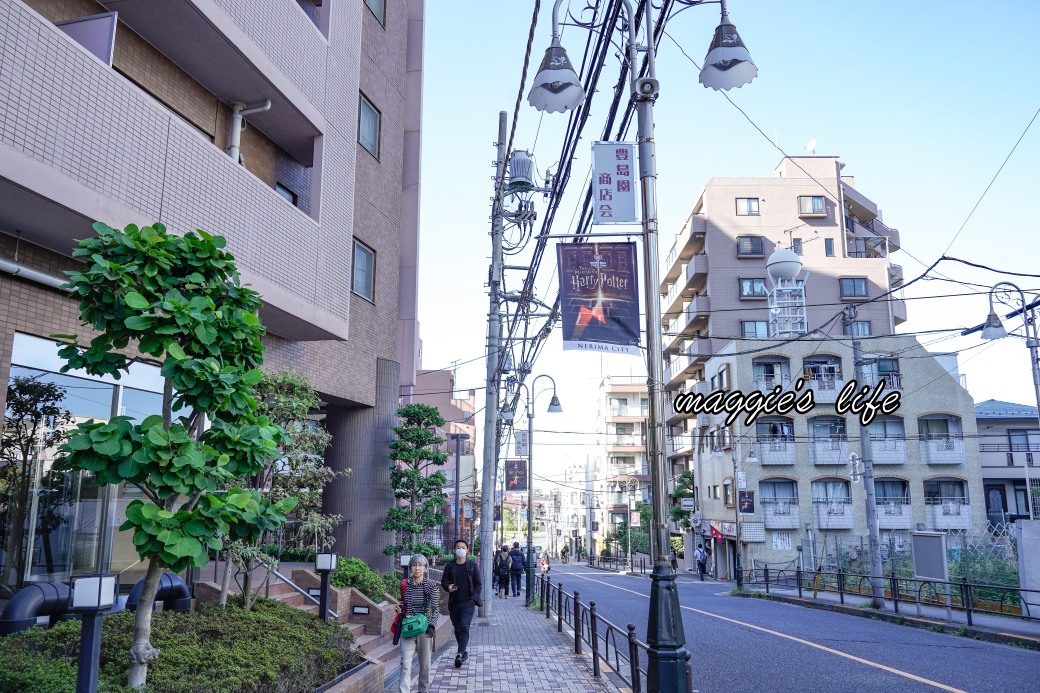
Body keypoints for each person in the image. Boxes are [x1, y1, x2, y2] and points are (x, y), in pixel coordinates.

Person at [395, 554, 438, 693]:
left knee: (425, 666)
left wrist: (431, 626)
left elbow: (435, 608)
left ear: (425, 568)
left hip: (424, 629)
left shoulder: (430, 585)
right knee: (405, 664)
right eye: (414, 565)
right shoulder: (405, 584)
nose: (417, 568)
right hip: (408, 628)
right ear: (410, 567)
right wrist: (400, 607)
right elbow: (403, 603)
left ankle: (423, 691)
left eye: (420, 565)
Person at [441, 539, 481, 668]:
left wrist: (473, 598)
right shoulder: (450, 566)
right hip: (454, 603)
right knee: (458, 629)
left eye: (463, 547)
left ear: (467, 550)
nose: (461, 550)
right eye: (458, 547)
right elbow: (443, 582)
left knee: (464, 626)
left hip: (468, 603)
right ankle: (463, 651)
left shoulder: (471, 565)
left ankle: (459, 653)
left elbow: (478, 584)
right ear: (454, 550)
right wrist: (449, 587)